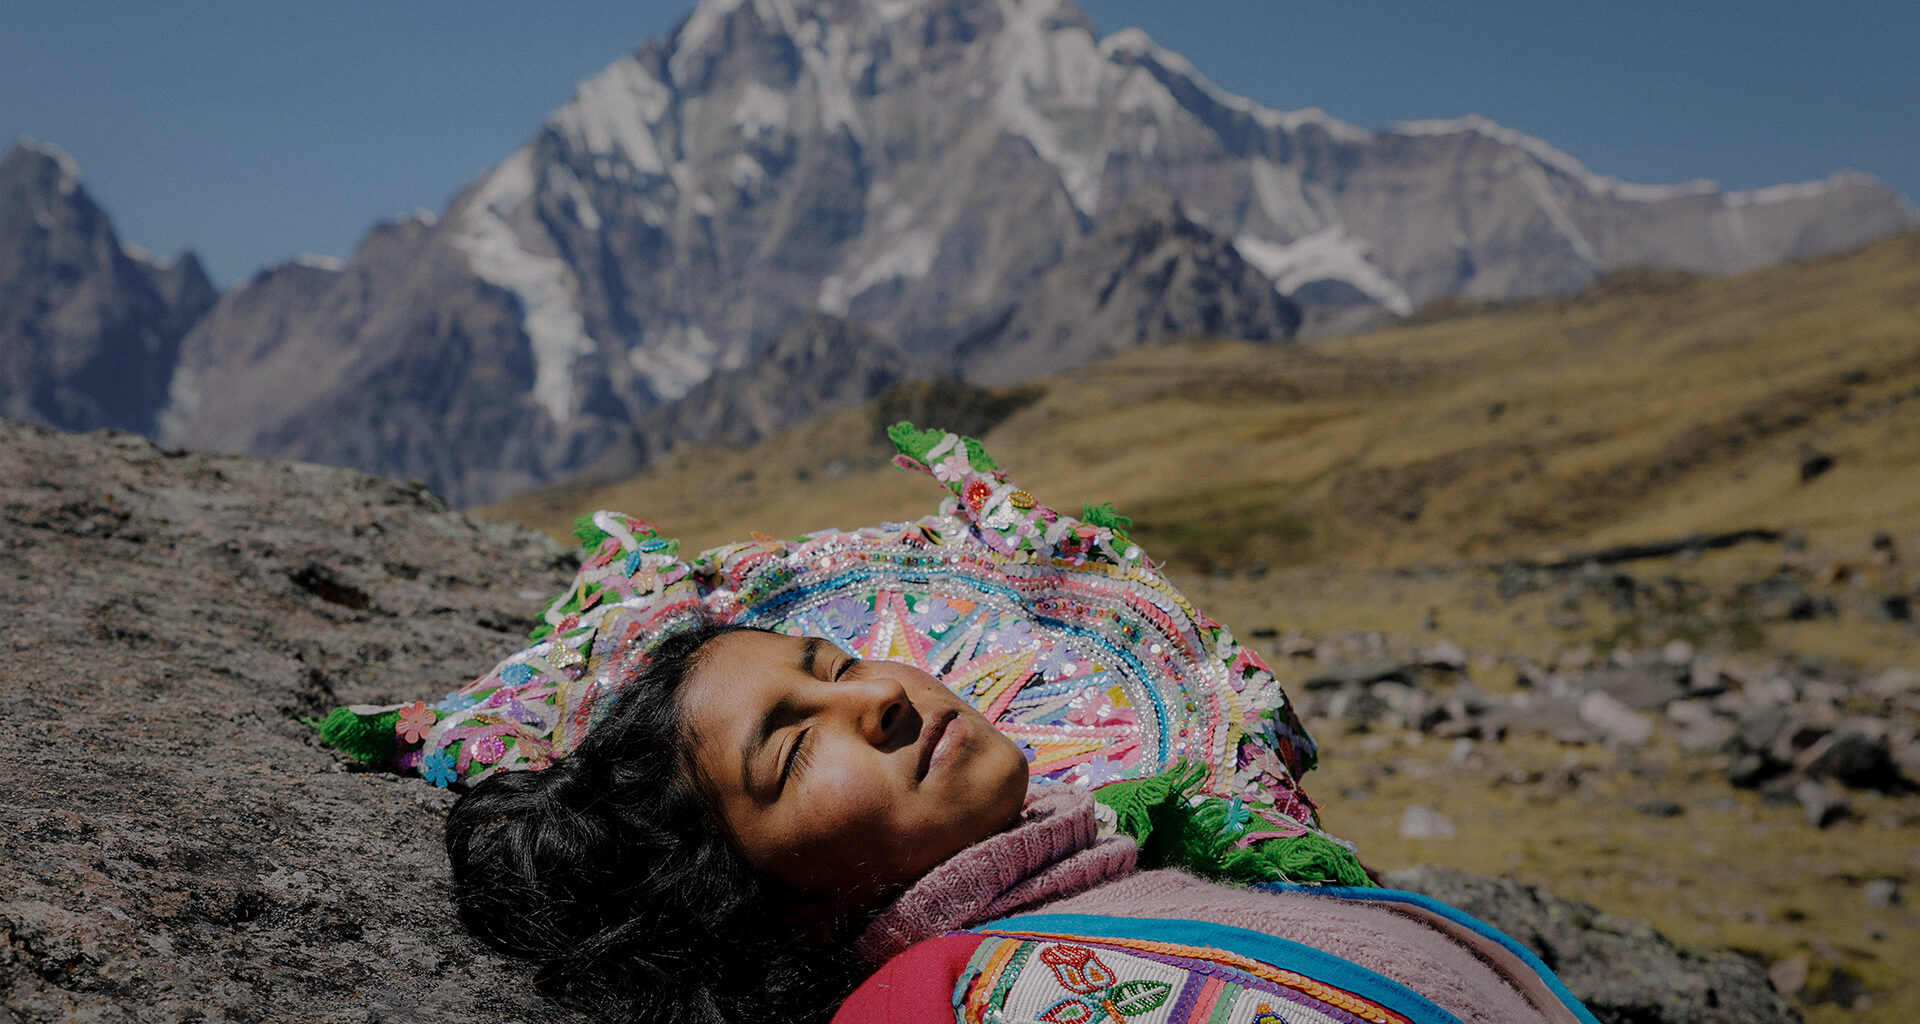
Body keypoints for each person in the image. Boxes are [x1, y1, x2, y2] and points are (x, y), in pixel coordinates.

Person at [446, 622, 1598, 1024]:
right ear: (752, 898)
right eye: (795, 748)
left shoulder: (1135, 880)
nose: (879, 696)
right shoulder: (926, 1001)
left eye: (840, 663)